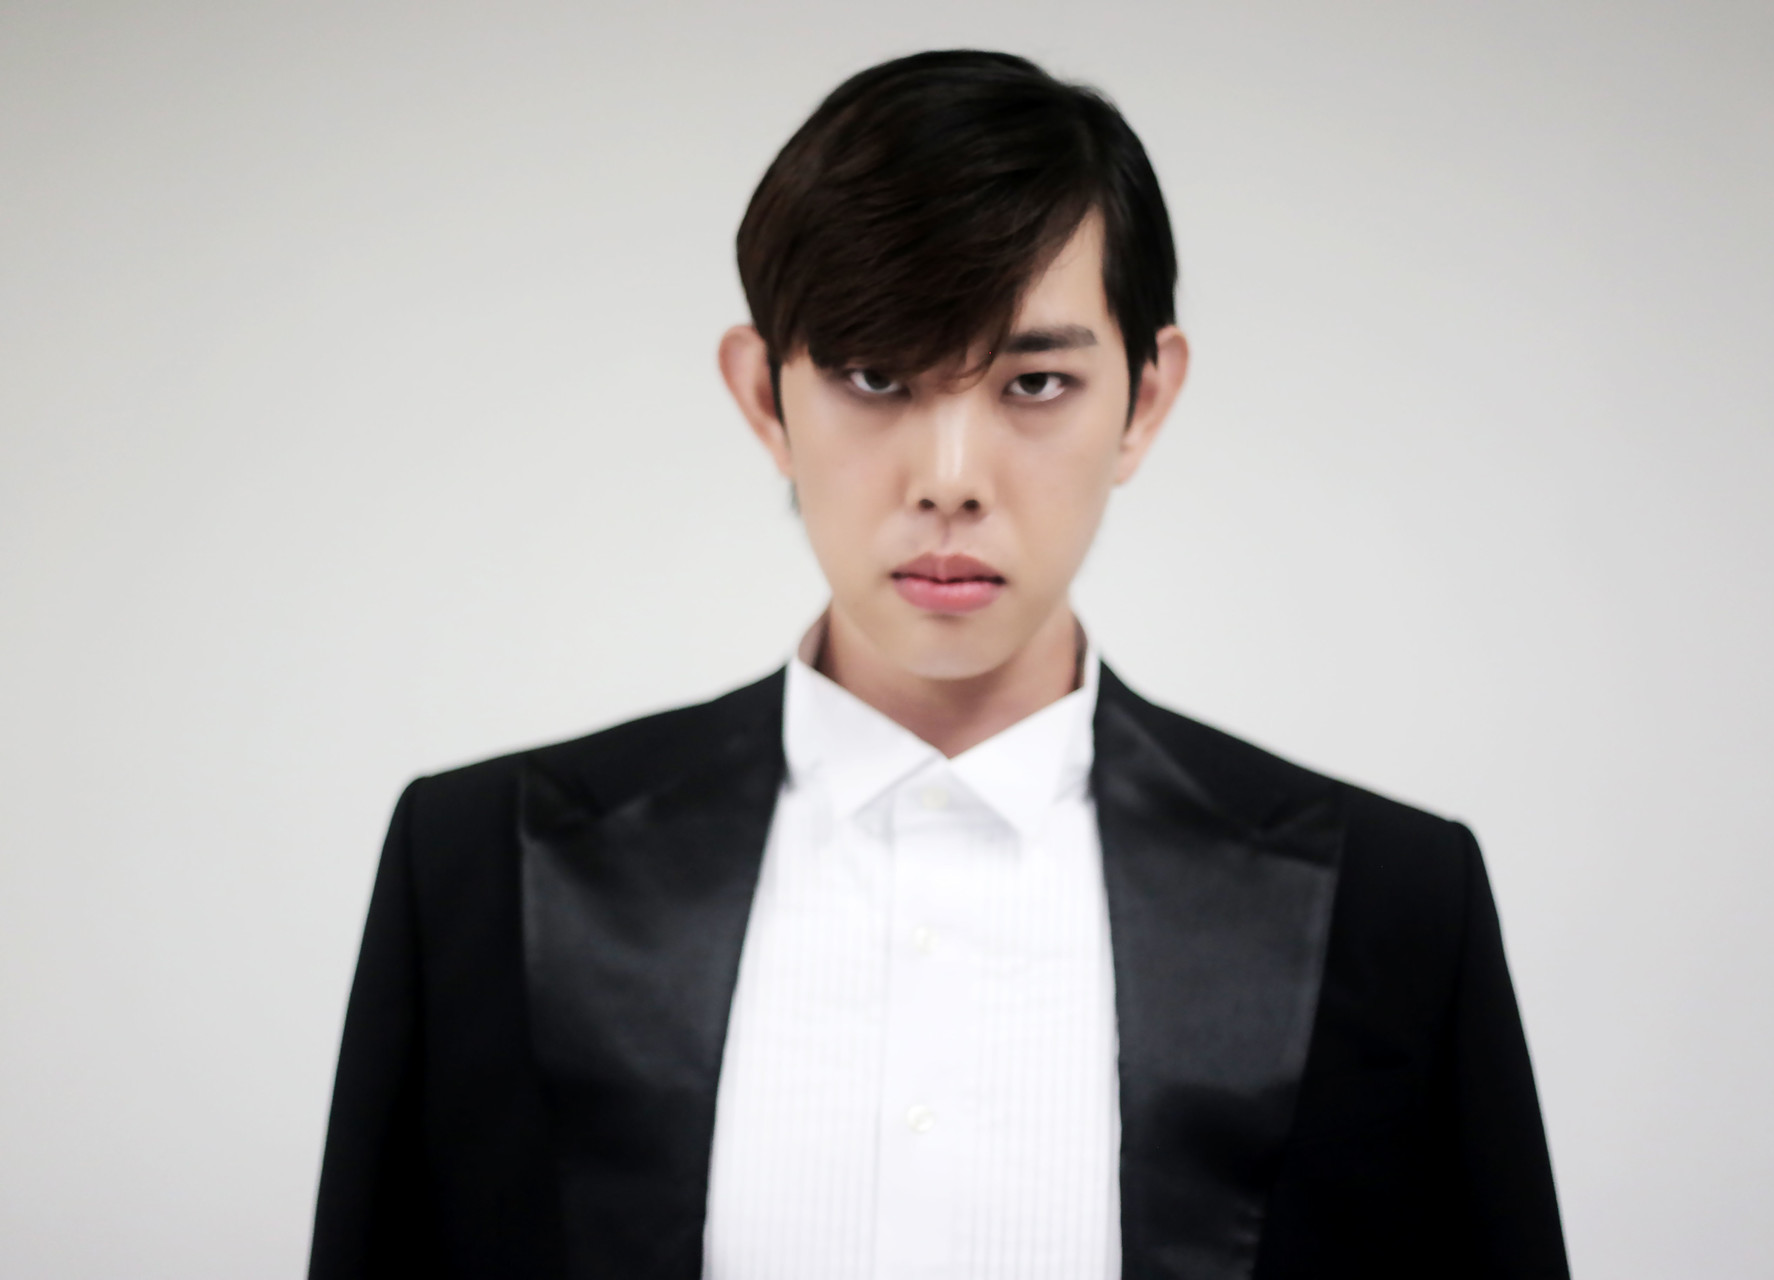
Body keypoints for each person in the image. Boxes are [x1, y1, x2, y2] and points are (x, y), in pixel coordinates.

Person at [309, 49, 1569, 1280]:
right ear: (764, 397)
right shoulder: (477, 865)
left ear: (1143, 400)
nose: (952, 478)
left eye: (1036, 381)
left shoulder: (1392, 899)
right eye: (876, 375)